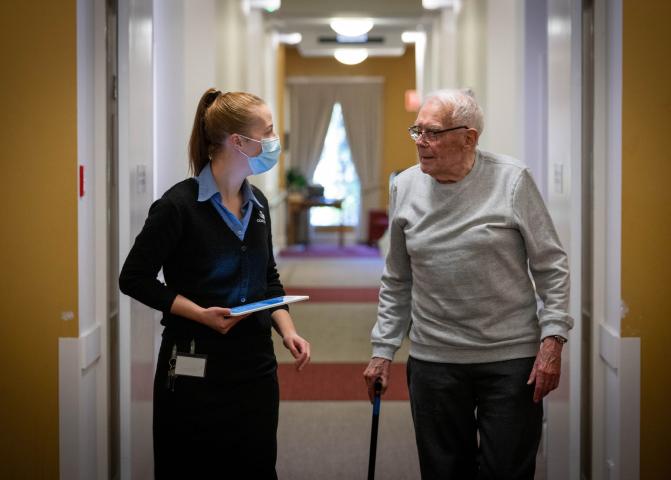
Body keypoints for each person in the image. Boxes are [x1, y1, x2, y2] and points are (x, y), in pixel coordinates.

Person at [363, 89, 572, 479]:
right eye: (417, 131)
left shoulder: (511, 181)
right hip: (434, 360)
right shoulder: (404, 187)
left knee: (507, 470)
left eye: (433, 132)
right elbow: (396, 277)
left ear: (469, 137)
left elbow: (551, 264)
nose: (421, 142)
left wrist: (553, 338)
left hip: (510, 361)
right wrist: (382, 349)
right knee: (444, 471)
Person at [119, 88, 310, 479]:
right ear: (238, 141)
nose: (274, 140)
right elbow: (133, 278)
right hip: (193, 365)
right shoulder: (178, 206)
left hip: (254, 367)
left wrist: (287, 330)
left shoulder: (257, 202)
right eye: (268, 131)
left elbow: (268, 278)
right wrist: (201, 315)